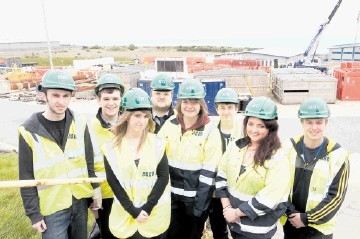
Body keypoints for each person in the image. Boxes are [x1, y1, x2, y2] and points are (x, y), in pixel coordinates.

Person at [18, 70, 101, 239]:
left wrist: (95, 189)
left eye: (65, 96)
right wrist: (34, 214)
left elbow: (88, 160)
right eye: (55, 95)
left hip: (79, 201)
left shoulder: (79, 122)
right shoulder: (28, 131)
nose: (61, 101)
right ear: (44, 96)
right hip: (52, 207)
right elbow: (26, 177)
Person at [215, 96, 290, 239]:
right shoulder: (236, 146)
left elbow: (269, 198)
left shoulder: (277, 158)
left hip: (257, 231)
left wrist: (236, 213)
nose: (254, 130)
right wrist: (227, 208)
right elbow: (221, 177)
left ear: (271, 128)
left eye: (261, 126)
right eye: (250, 124)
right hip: (234, 225)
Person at [158, 79, 223, 239]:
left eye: (194, 102)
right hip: (171, 199)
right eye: (185, 101)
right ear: (179, 103)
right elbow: (156, 158)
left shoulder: (210, 131)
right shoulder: (169, 125)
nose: (189, 106)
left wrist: (200, 207)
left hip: (195, 202)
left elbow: (209, 174)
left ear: (201, 104)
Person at [102, 88, 170, 239]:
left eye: (146, 116)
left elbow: (163, 177)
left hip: (153, 216)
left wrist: (147, 208)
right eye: (137, 116)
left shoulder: (157, 143)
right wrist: (133, 211)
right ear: (126, 116)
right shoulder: (111, 147)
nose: (142, 121)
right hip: (126, 217)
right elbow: (114, 183)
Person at [282, 97, 350, 239]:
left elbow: (335, 197)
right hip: (290, 223)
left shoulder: (338, 155)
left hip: (319, 230)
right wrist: (292, 214)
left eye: (319, 122)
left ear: (326, 123)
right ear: (302, 123)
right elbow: (279, 185)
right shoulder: (288, 149)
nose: (314, 127)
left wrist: (306, 218)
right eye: (309, 122)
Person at [87, 73, 125, 239]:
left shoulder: (129, 122)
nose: (111, 103)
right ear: (98, 100)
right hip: (105, 195)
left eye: (115, 99)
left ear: (121, 99)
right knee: (109, 234)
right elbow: (86, 162)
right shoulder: (88, 127)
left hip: (129, 192)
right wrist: (93, 192)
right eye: (106, 99)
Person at [209, 88, 244, 239]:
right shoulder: (210, 131)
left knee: (239, 230)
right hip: (215, 192)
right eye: (222, 107)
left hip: (237, 191)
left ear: (237, 108)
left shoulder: (245, 131)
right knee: (219, 231)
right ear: (216, 109)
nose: (226, 111)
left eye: (230, 107)